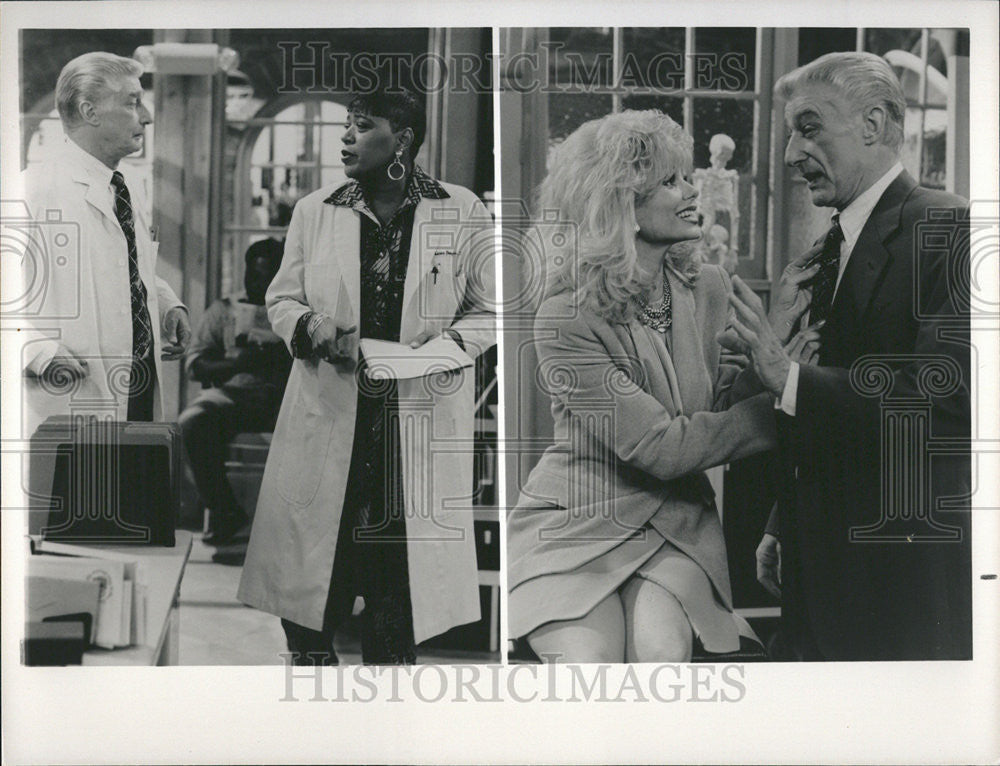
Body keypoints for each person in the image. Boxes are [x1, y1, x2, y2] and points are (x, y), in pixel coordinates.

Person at [507, 110, 799, 663]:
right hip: (575, 521)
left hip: (677, 521)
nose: (692, 191)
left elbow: (712, 409)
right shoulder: (563, 316)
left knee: (661, 662)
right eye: (671, 181)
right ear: (620, 204)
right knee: (589, 672)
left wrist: (769, 364)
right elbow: (661, 447)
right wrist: (779, 408)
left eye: (686, 176)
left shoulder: (709, 287)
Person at [722, 52, 971, 661]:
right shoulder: (830, 245)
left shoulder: (952, 228)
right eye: (790, 134)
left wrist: (786, 376)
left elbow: (949, 395)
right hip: (815, 556)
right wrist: (786, 520)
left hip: (898, 571)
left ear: (874, 122)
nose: (788, 156)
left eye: (808, 129)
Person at [237, 88, 496, 665]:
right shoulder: (314, 208)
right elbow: (281, 300)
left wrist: (441, 350)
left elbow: (488, 309)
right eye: (346, 126)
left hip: (410, 431)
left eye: (362, 125)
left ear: (401, 138)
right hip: (330, 420)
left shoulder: (461, 208)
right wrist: (311, 324)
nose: (346, 136)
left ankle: (383, 726)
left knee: (394, 605)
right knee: (309, 606)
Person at [20, 51, 190, 433]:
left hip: (138, 387)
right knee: (86, 490)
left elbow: (128, 267)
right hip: (69, 396)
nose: (145, 116)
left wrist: (166, 305)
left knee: (130, 487)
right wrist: (40, 351)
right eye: (132, 102)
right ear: (90, 111)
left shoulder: (126, 188)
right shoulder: (30, 189)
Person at [179, 238, 291, 550]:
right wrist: (234, 364)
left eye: (267, 277)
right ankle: (225, 511)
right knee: (192, 423)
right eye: (252, 276)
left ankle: (296, 528)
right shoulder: (223, 310)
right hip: (234, 395)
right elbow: (195, 364)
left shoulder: (299, 311)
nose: (258, 284)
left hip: (286, 400)